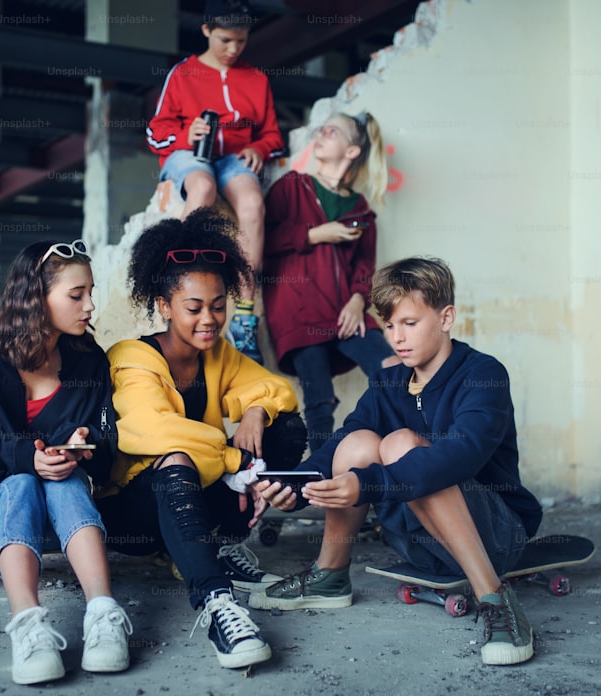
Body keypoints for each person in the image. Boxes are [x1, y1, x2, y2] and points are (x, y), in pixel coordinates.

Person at [251, 257, 544, 666]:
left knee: (402, 445)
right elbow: (339, 443)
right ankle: (329, 575)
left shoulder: (483, 375)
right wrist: (296, 486)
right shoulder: (388, 382)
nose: (397, 338)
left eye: (410, 323)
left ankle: (494, 598)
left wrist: (369, 484)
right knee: (357, 443)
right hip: (419, 542)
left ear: (446, 318)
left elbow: (461, 455)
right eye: (389, 326)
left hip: (494, 539)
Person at [96, 208, 307, 669]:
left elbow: (280, 391)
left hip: (194, 499)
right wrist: (237, 462)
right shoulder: (131, 358)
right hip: (134, 513)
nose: (208, 319)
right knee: (174, 456)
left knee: (285, 423)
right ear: (165, 306)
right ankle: (218, 606)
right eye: (193, 308)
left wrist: (255, 409)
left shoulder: (220, 357)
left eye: (218, 305)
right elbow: (150, 429)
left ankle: (224, 542)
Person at [0, 239, 132, 685]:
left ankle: (103, 614)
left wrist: (84, 447)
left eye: (91, 293)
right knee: (19, 483)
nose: (90, 306)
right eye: (76, 295)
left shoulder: (88, 359)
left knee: (66, 481)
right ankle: (29, 626)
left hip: (59, 515)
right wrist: (27, 458)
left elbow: (107, 442)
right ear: (36, 298)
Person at [144, 0, 285, 364]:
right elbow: (156, 133)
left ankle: (244, 316)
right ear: (206, 30)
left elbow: (272, 134)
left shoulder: (256, 78)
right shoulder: (183, 73)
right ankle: (182, 273)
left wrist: (259, 146)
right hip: (189, 154)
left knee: (252, 204)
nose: (233, 49)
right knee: (203, 188)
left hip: (236, 159)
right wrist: (186, 133)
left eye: (241, 41)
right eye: (225, 40)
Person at [262, 111, 400, 454]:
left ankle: (399, 454)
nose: (321, 134)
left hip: (344, 312)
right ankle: (321, 478)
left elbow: (365, 265)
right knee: (319, 401)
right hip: (300, 313)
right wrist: (313, 234)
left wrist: (358, 300)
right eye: (321, 129)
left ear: (352, 151)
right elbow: (263, 240)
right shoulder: (291, 187)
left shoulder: (361, 210)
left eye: (333, 131)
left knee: (393, 371)